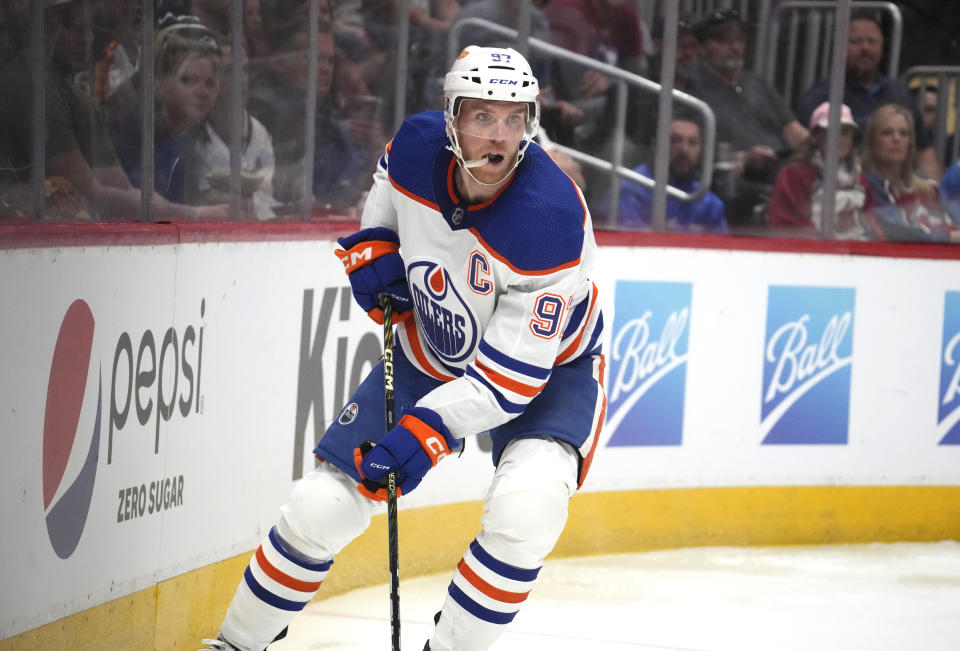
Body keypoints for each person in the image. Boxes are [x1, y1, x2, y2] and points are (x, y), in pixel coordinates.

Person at [198, 44, 605, 651]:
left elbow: (508, 383)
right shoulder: (416, 147)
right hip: (432, 351)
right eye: (482, 116)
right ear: (451, 117)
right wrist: (375, 244)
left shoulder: (550, 219)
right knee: (320, 506)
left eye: (514, 117)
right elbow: (387, 187)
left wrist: (426, 430)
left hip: (550, 375)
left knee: (527, 514)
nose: (499, 135)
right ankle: (234, 644)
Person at [0, 0, 227, 221]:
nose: (85, 38)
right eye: (72, 26)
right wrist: (194, 214)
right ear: (44, 25)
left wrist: (188, 213)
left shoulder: (75, 96)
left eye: (88, 28)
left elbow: (126, 190)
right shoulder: (32, 86)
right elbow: (93, 193)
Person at [686, 8, 808, 226]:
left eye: (739, 40)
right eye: (724, 41)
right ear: (704, 47)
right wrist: (744, 158)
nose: (734, 47)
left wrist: (821, 148)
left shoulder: (757, 83)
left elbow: (793, 131)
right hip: (735, 182)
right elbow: (690, 150)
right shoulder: (692, 88)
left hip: (781, 170)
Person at [797, 10, 942, 182]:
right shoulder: (824, 95)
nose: (865, 48)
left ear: (882, 46)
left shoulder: (899, 93)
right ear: (839, 46)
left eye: (872, 41)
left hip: (898, 187)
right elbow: (805, 151)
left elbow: (924, 151)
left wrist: (934, 194)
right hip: (843, 186)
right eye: (855, 41)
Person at [108, 15, 223, 203]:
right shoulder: (135, 133)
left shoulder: (184, 138)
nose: (203, 93)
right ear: (159, 84)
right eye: (188, 80)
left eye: (210, 83)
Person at [192, 37, 280, 219]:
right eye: (229, 71)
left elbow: (266, 201)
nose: (240, 79)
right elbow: (197, 201)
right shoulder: (195, 137)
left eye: (245, 70)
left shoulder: (259, 132)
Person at [767, 101, 881, 240]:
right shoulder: (793, 175)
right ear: (815, 137)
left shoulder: (861, 179)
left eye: (844, 132)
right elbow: (787, 224)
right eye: (832, 131)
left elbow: (871, 223)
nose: (839, 139)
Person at [600, 112, 727, 233]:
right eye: (674, 140)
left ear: (701, 152)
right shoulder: (630, 191)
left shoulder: (708, 202)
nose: (684, 149)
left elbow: (724, 251)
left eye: (692, 142)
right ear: (655, 145)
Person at [861, 104, 960, 243]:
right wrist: (947, 237)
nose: (896, 139)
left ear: (910, 142)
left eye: (903, 133)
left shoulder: (927, 185)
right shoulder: (866, 183)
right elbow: (894, 230)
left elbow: (953, 223)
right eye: (887, 133)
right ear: (872, 141)